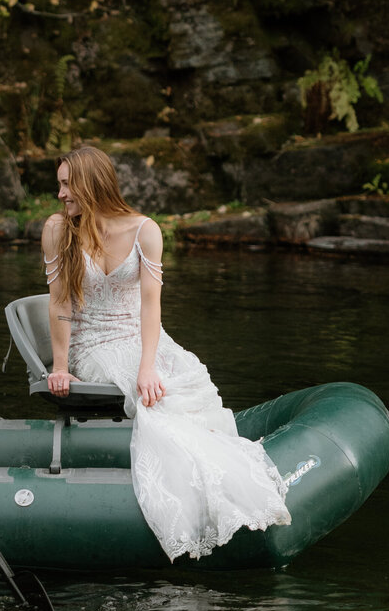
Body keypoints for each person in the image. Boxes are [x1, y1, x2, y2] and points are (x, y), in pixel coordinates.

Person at [41, 145, 290, 562]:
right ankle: (184, 511)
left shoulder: (145, 231)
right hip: (93, 344)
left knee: (185, 378)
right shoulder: (57, 229)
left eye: (67, 184)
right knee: (155, 402)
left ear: (91, 183)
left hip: (139, 338)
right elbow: (60, 303)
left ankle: (222, 485)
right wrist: (61, 366)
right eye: (60, 185)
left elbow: (150, 306)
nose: (61, 194)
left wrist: (148, 366)